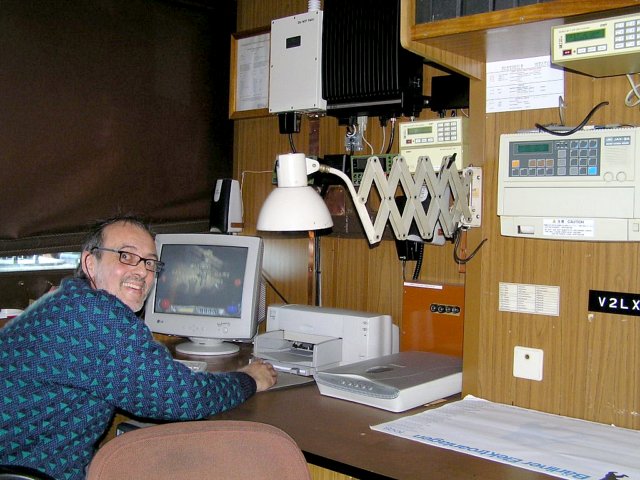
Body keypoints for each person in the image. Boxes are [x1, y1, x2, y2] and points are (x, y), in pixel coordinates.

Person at [0, 214, 277, 480]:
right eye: (126, 256)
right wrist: (249, 378)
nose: (142, 271)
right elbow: (184, 397)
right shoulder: (94, 315)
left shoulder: (71, 300)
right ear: (90, 263)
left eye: (149, 263)